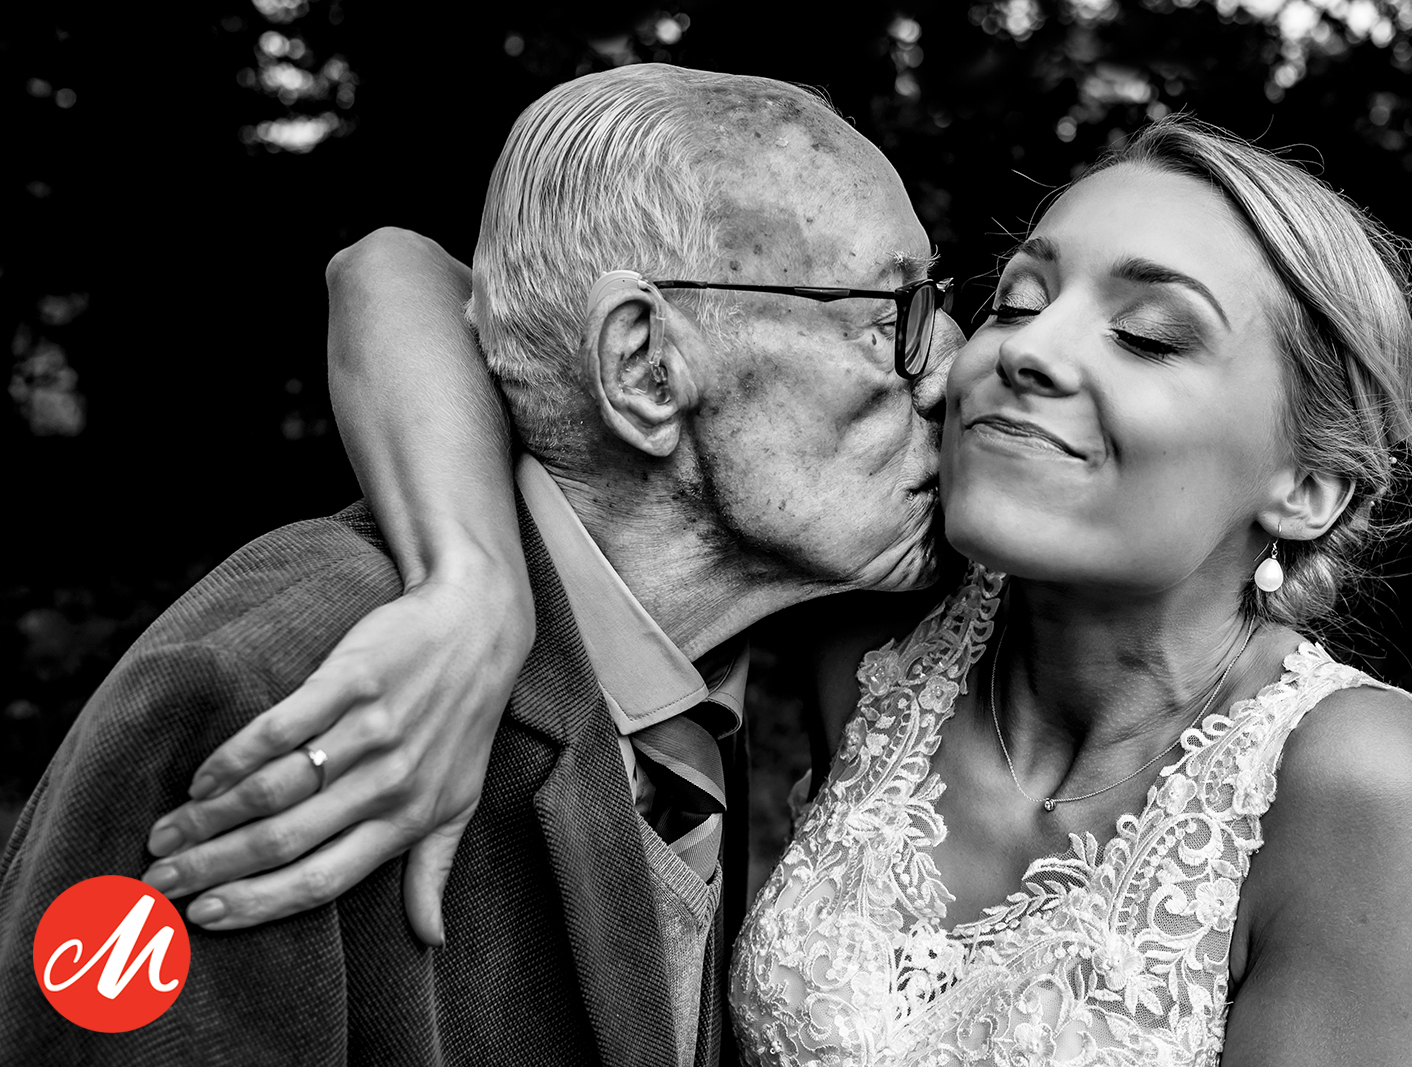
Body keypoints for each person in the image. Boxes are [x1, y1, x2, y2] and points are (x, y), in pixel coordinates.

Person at [141, 122, 1412, 1062]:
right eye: (1018, 296)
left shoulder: (1341, 774)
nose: (1023, 350)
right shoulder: (875, 621)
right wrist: (473, 578)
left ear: (1306, 485)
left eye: (1149, 335)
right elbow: (400, 271)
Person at [0, 64, 959, 1065]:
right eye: (888, 314)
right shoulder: (277, 694)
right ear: (643, 366)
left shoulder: (720, 673)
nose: (946, 367)